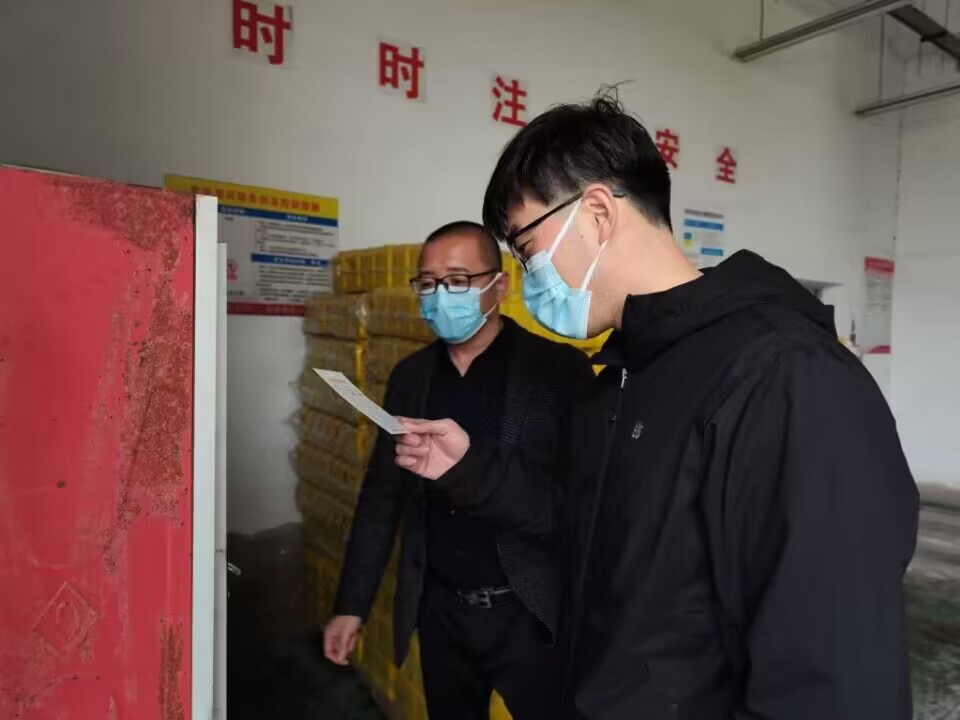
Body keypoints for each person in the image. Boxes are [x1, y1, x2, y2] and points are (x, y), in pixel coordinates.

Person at [395, 92, 920, 719]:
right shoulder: (619, 380)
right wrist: (469, 467)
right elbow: (579, 529)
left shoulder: (787, 378)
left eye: (527, 249)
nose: (529, 277)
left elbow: (833, 679)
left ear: (596, 213)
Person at [324, 221, 595, 720]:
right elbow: (381, 497)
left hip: (530, 613)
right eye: (427, 283)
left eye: (456, 281)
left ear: (499, 286)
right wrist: (352, 605)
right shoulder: (411, 378)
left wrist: (471, 471)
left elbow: (579, 507)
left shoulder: (558, 372)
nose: (439, 296)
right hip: (442, 611)